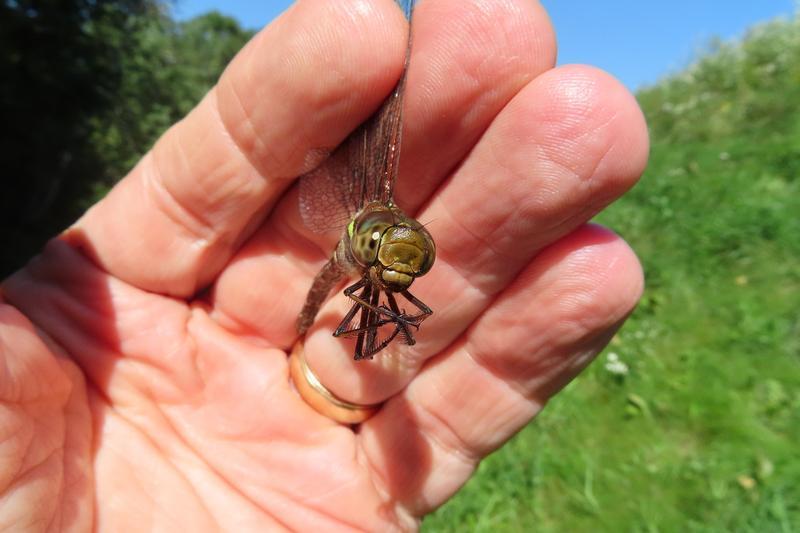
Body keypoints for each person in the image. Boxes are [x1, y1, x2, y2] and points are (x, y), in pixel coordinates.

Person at [0, 0, 649, 529]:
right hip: (333, 265)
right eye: (397, 259)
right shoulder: (364, 221)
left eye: (409, 259)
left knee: (389, 319)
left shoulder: (395, 255)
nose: (402, 268)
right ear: (375, 247)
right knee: (367, 320)